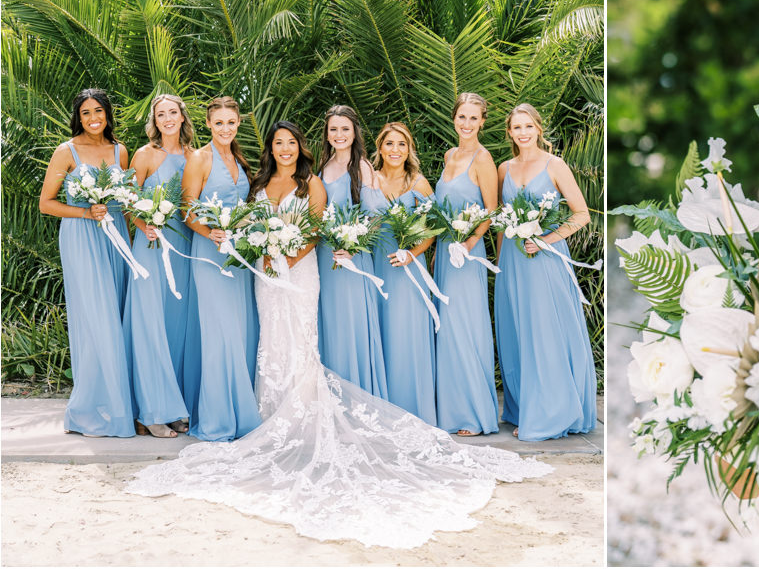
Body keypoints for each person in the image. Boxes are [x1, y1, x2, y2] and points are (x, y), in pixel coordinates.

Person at [127, 121, 551, 548]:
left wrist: (291, 256)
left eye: (292, 142)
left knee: (303, 335)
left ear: (302, 146)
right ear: (272, 148)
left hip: (303, 268)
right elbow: (244, 222)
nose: (286, 148)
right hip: (264, 272)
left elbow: (319, 229)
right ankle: (269, 410)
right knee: (270, 337)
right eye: (279, 143)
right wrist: (266, 250)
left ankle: (306, 404)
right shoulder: (256, 182)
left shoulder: (323, 179)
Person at [494, 104, 597, 440]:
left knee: (545, 332)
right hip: (512, 260)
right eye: (516, 128)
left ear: (538, 128)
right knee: (518, 333)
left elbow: (581, 215)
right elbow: (499, 220)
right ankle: (524, 406)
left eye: (528, 126)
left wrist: (545, 240)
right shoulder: (502, 168)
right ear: (509, 133)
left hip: (545, 259)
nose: (523, 133)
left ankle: (550, 413)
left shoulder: (556, 165)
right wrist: (499, 261)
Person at [38, 88, 134, 437]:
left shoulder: (120, 150)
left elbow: (125, 200)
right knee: (96, 318)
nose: (93, 118)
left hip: (117, 236)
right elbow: (46, 203)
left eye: (99, 111)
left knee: (119, 314)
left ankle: (124, 403)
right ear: (77, 117)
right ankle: (95, 409)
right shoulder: (66, 152)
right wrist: (84, 211)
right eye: (85, 113)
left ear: (108, 114)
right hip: (81, 238)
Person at [182, 96, 259, 441]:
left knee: (241, 332)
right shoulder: (200, 158)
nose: (225, 128)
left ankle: (243, 414)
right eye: (219, 123)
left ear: (238, 123)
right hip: (211, 254)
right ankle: (218, 420)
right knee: (220, 333)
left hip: (239, 257)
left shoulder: (239, 158)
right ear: (208, 125)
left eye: (231, 122)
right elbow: (188, 209)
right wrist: (209, 231)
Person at [123, 94, 195, 437]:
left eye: (173, 112)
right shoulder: (145, 155)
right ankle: (150, 412)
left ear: (183, 117)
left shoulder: (196, 157)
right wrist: (142, 225)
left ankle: (174, 407)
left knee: (176, 329)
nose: (167, 118)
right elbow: (126, 201)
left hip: (183, 248)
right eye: (161, 114)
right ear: (155, 120)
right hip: (150, 247)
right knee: (149, 324)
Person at [433, 92, 500, 436]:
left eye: (474, 118)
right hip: (444, 253)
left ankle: (474, 414)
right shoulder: (449, 155)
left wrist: (470, 242)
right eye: (462, 117)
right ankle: (452, 410)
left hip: (467, 254)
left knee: (466, 327)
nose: (467, 124)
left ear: (483, 121)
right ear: (454, 118)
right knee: (447, 327)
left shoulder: (483, 159)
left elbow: (491, 210)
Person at [315, 105, 388, 398]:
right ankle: (331, 397)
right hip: (324, 257)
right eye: (333, 129)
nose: (339, 134)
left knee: (350, 324)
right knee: (329, 324)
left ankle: (356, 397)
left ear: (355, 131)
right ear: (327, 133)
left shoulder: (363, 167)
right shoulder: (322, 167)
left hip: (352, 260)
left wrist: (353, 245)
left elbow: (376, 219)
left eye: (345, 128)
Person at [371, 122, 438, 425]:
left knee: (405, 334)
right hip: (374, 266)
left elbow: (433, 228)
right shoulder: (368, 180)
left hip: (408, 267)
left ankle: (412, 411)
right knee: (379, 334)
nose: (395, 150)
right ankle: (381, 411)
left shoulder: (418, 182)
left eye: (402, 144)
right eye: (389, 144)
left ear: (409, 149)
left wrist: (413, 253)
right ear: (380, 147)